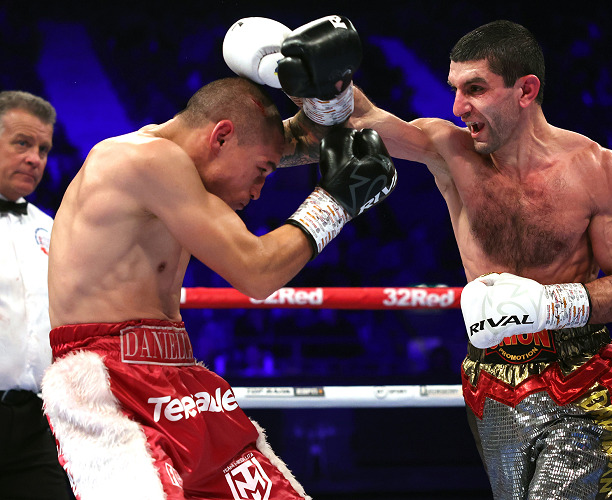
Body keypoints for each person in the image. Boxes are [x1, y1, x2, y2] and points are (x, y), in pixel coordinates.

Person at [42, 17, 396, 500]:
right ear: (221, 136)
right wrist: (336, 202)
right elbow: (257, 272)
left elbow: (315, 138)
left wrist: (323, 90)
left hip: (178, 372)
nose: (260, 188)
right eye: (262, 170)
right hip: (109, 381)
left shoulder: (182, 172)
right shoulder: (142, 160)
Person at [348, 19, 612, 500]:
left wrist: (547, 305)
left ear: (525, 90)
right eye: (455, 89)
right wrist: (315, 81)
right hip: (490, 380)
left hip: (584, 379)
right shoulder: (449, 151)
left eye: (475, 89)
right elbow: (358, 123)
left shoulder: (596, 168)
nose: (457, 107)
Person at [0, 90, 74, 499]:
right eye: (22, 143)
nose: (35, 159)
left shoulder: (51, 228)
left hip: (35, 419)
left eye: (43, 149)